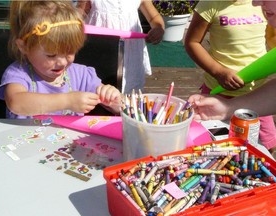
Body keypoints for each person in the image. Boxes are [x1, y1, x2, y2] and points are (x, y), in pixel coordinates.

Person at [0, 1, 122, 119]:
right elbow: (16, 103)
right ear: (23, 47)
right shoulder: (19, 73)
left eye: (70, 53)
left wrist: (114, 101)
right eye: (51, 55)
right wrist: (67, 101)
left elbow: (123, 107)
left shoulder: (82, 75)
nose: (62, 62)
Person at [185, 0, 276, 154]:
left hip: (258, 90)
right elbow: (192, 42)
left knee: (267, 144)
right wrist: (219, 72)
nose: (256, 3)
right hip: (219, 91)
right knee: (220, 145)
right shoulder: (210, 4)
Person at [76, 0, 165, 94]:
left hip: (130, 55)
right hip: (101, 51)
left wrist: (158, 28)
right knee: (99, 90)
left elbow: (154, 17)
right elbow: (81, 12)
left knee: (131, 91)